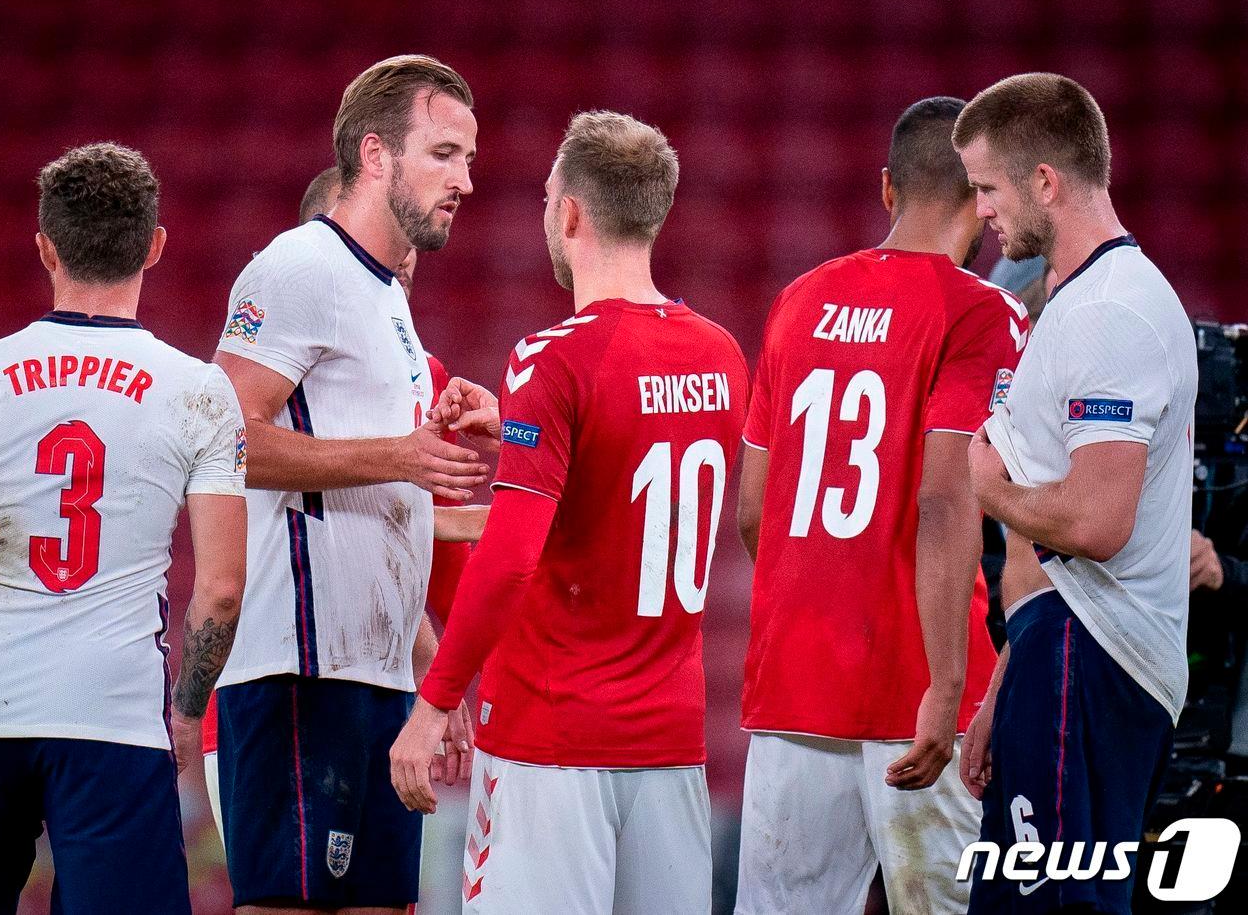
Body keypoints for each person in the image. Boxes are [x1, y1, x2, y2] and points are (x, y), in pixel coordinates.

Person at [390, 109, 749, 915]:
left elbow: (513, 554)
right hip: (670, 743)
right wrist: (524, 432)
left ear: (572, 213)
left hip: (551, 742)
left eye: (549, 197)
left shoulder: (553, 356)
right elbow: (614, 492)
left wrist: (434, 702)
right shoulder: (722, 353)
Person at [0, 142, 247, 914]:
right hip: (113, 715)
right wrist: (184, 714)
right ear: (154, 245)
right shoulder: (200, 390)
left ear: (44, 245)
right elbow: (219, 588)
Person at [732, 97, 1028, 915]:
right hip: (913, 689)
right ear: (982, 197)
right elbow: (945, 495)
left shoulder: (798, 300)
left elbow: (753, 510)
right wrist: (947, 679)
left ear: (887, 190)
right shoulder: (983, 312)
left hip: (793, 685)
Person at [211, 55, 487, 915]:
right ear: (375, 155)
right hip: (298, 670)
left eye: (468, 159)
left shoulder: (388, 296)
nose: (466, 182)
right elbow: (224, 442)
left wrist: (428, 667)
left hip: (374, 676)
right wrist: (402, 456)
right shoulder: (300, 268)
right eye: (444, 154)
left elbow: (384, 498)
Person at [958, 73, 1197, 914]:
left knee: (1051, 908)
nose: (980, 210)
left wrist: (986, 483)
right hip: (1059, 651)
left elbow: (1095, 522)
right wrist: (1004, 685)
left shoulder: (1109, 314)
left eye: (987, 187)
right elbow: (1064, 555)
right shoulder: (1083, 300)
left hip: (1091, 663)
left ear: (1045, 182)